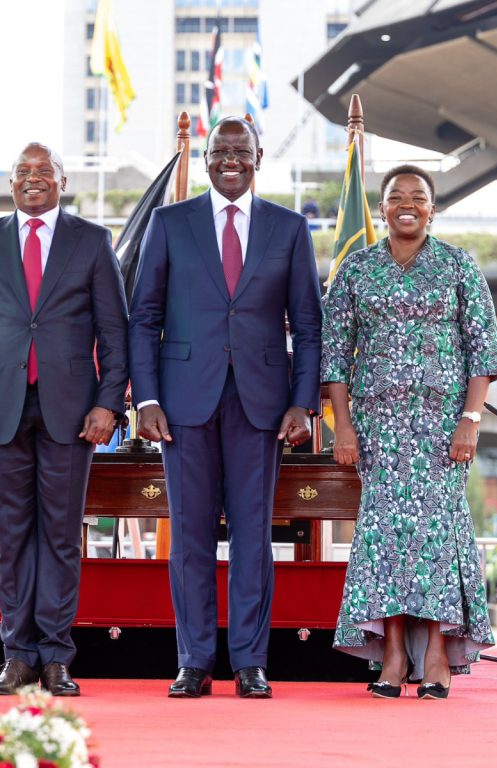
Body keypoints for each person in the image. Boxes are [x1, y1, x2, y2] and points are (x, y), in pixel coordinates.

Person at [129, 117, 322, 699]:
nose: (230, 159)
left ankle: (250, 662)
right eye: (220, 150)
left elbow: (308, 325)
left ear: (259, 156)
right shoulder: (170, 223)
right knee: (188, 535)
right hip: (183, 403)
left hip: (262, 405)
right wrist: (148, 398)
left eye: (241, 150)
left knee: (252, 537)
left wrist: (303, 403)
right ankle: (193, 660)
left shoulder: (289, 229)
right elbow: (144, 317)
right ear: (207, 157)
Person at [0, 143, 128, 697]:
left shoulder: (92, 242)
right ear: (11, 181)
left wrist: (108, 403)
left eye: (43, 171)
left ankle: (56, 658)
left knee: (62, 537)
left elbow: (114, 335)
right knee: (13, 536)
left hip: (73, 415)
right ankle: (17, 657)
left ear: (62, 180)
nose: (32, 179)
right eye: (22, 171)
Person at [321, 164, 497, 700]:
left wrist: (470, 420)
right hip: (378, 427)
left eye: (418, 197)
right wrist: (345, 428)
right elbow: (334, 359)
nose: (407, 203)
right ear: (381, 208)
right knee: (384, 540)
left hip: (442, 430)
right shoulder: (355, 271)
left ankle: (438, 656)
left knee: (434, 539)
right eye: (396, 196)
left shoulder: (458, 266)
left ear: (432, 207)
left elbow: (483, 352)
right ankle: (394, 654)